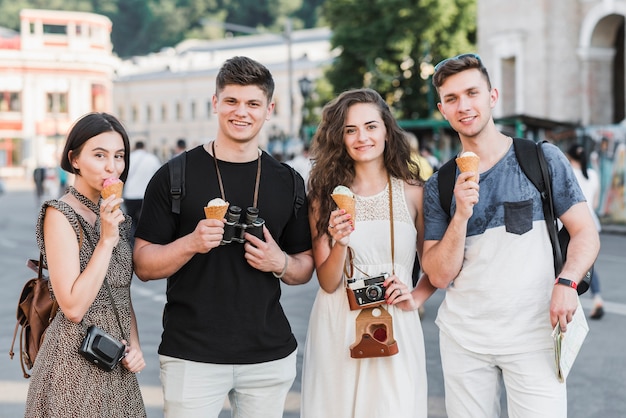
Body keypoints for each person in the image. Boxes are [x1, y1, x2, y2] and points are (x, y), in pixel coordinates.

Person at [132, 56, 314, 418]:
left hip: (268, 354)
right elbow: (143, 265)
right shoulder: (174, 175)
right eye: (231, 101)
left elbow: (305, 266)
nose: (240, 112)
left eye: (252, 103)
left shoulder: (288, 180)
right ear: (215, 103)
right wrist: (191, 243)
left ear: (269, 109)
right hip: (191, 354)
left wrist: (280, 262)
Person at [421, 53, 600, 418]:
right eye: (452, 99)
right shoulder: (439, 184)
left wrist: (566, 283)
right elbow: (438, 275)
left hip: (535, 334)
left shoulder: (541, 159)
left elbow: (585, 233)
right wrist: (461, 215)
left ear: (492, 96)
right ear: (442, 109)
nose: (464, 106)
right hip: (464, 340)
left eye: (472, 93)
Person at [301, 88, 437, 418]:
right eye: (351, 130)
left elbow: (437, 265)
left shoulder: (415, 192)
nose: (362, 137)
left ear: (387, 130)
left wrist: (416, 297)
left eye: (371, 126)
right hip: (338, 325)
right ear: (340, 138)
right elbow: (328, 282)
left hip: (395, 324)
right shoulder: (324, 196)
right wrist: (339, 242)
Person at [25, 112, 146, 417]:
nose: (112, 166)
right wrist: (106, 240)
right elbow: (73, 307)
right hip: (74, 363)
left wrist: (135, 345)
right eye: (99, 155)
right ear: (74, 159)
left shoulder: (113, 212)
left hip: (115, 359)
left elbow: (119, 289)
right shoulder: (60, 214)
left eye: (119, 156)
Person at [566, 143, 604, 319]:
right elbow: (595, 204)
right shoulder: (594, 175)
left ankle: (573, 304)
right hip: (593, 225)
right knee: (587, 266)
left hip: (572, 226)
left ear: (569, 156)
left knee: (571, 266)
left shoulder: (567, 173)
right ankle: (596, 298)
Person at [123, 140, 161, 241]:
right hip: (146, 195)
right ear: (144, 147)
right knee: (145, 222)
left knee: (131, 222)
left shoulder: (129, 158)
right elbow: (158, 177)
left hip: (130, 195)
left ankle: (131, 244)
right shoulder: (152, 158)